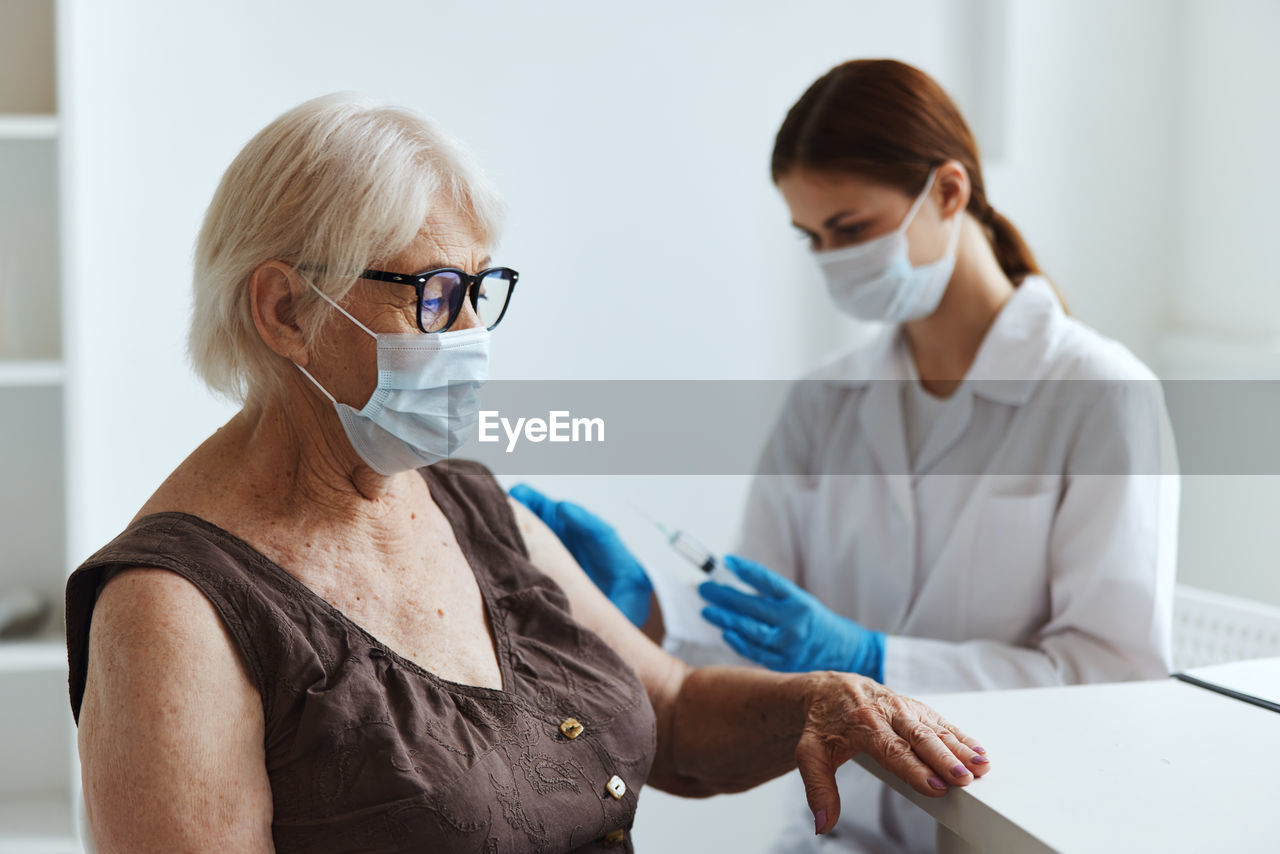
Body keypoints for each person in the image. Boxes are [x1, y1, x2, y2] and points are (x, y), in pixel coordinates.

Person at [64, 93, 993, 854]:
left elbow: (673, 709)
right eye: (433, 294)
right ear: (284, 310)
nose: (470, 337)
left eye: (480, 290)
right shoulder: (173, 610)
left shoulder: (468, 500)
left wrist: (826, 696)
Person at [515, 59, 1177, 853]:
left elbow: (1115, 679)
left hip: (1017, 832)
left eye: (853, 229)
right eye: (813, 237)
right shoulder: (824, 403)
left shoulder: (1100, 394)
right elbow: (755, 627)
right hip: (841, 833)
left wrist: (872, 660)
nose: (833, 258)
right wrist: (648, 605)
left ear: (949, 193)